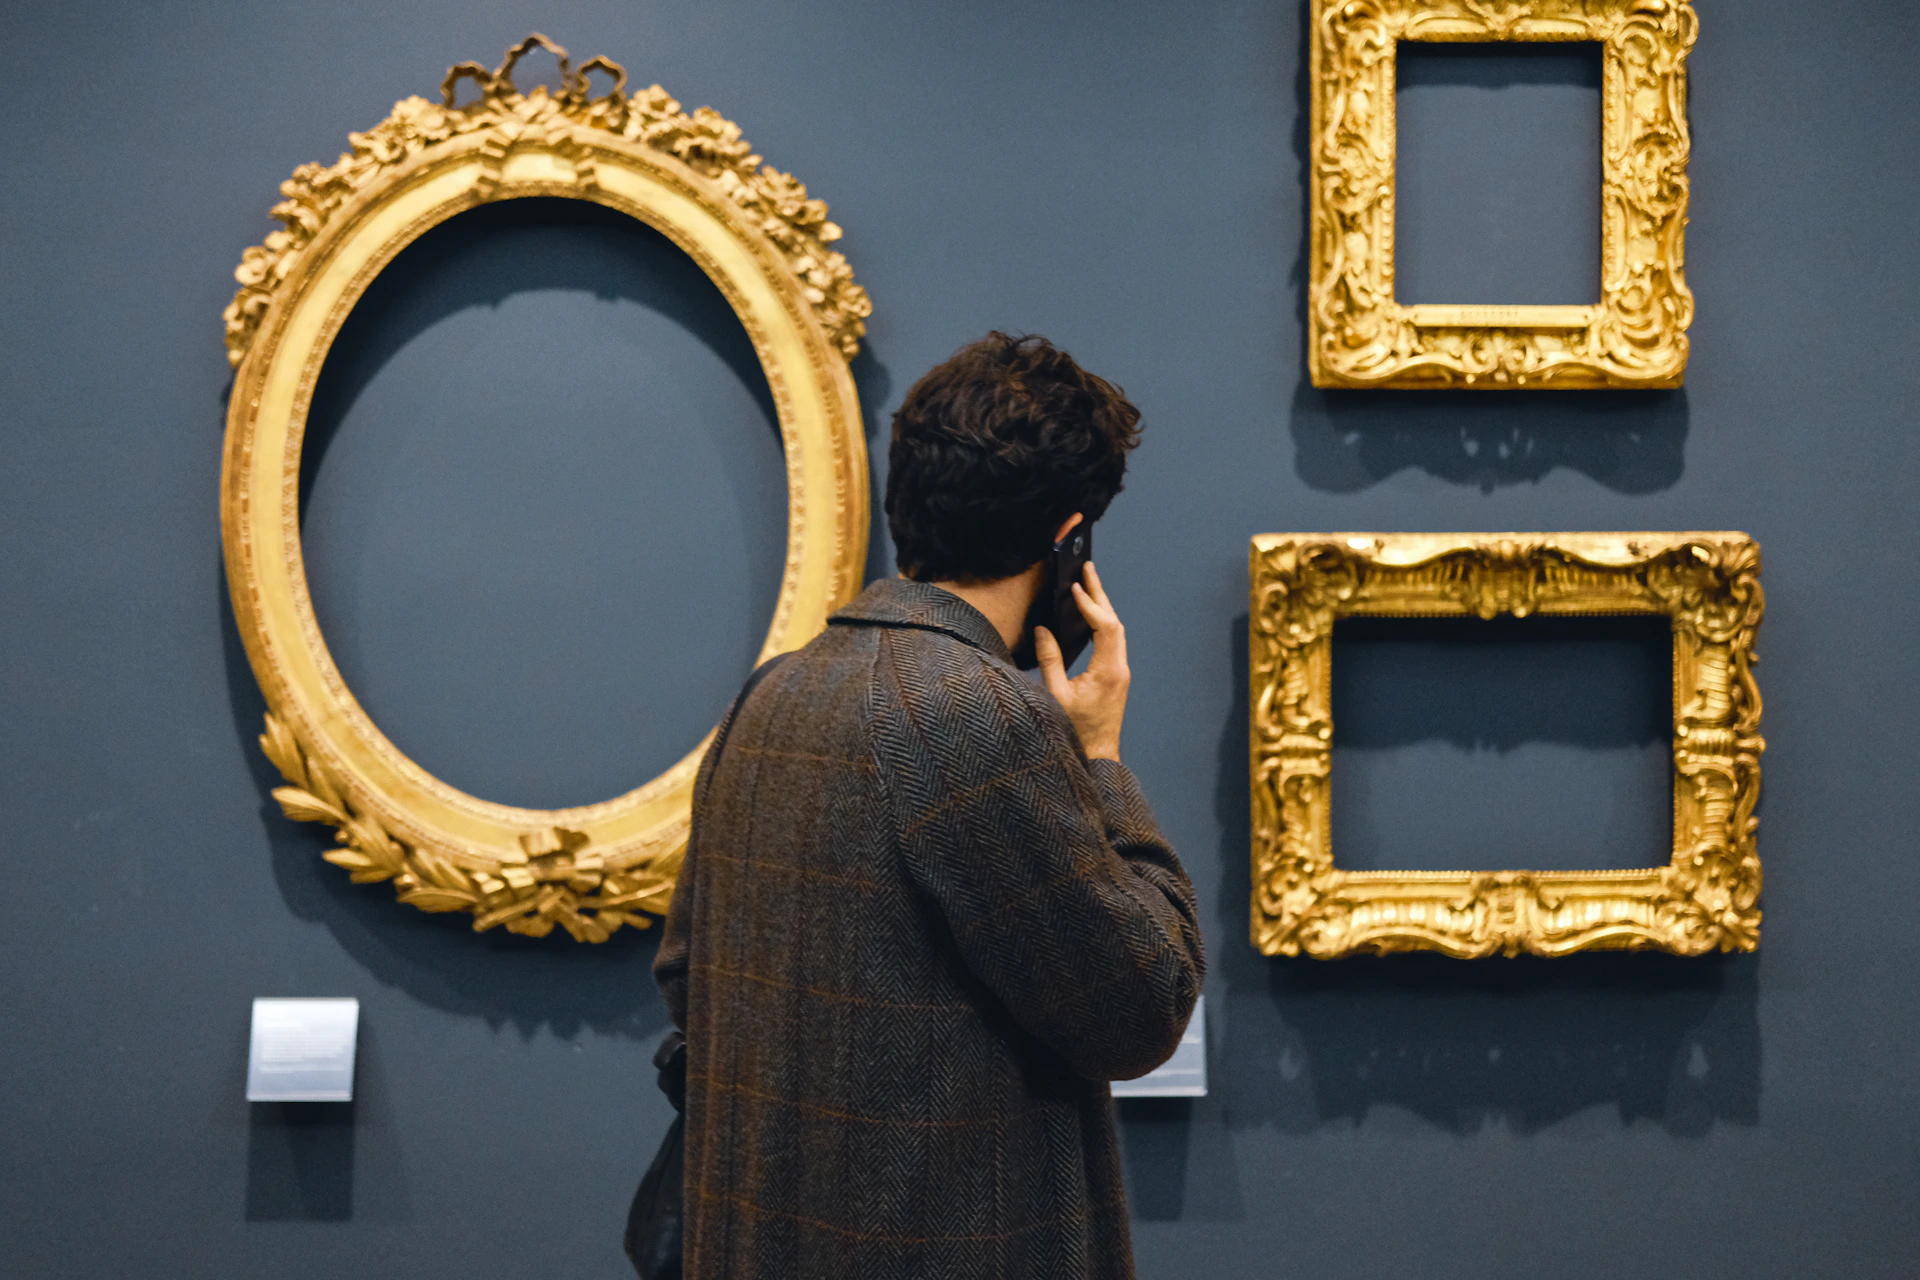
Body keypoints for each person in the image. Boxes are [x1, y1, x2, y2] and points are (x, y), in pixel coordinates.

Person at [654, 331, 1205, 1279]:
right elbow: (1141, 1006)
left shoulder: (777, 691)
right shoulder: (975, 715)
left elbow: (684, 975)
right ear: (1070, 541)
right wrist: (1103, 758)